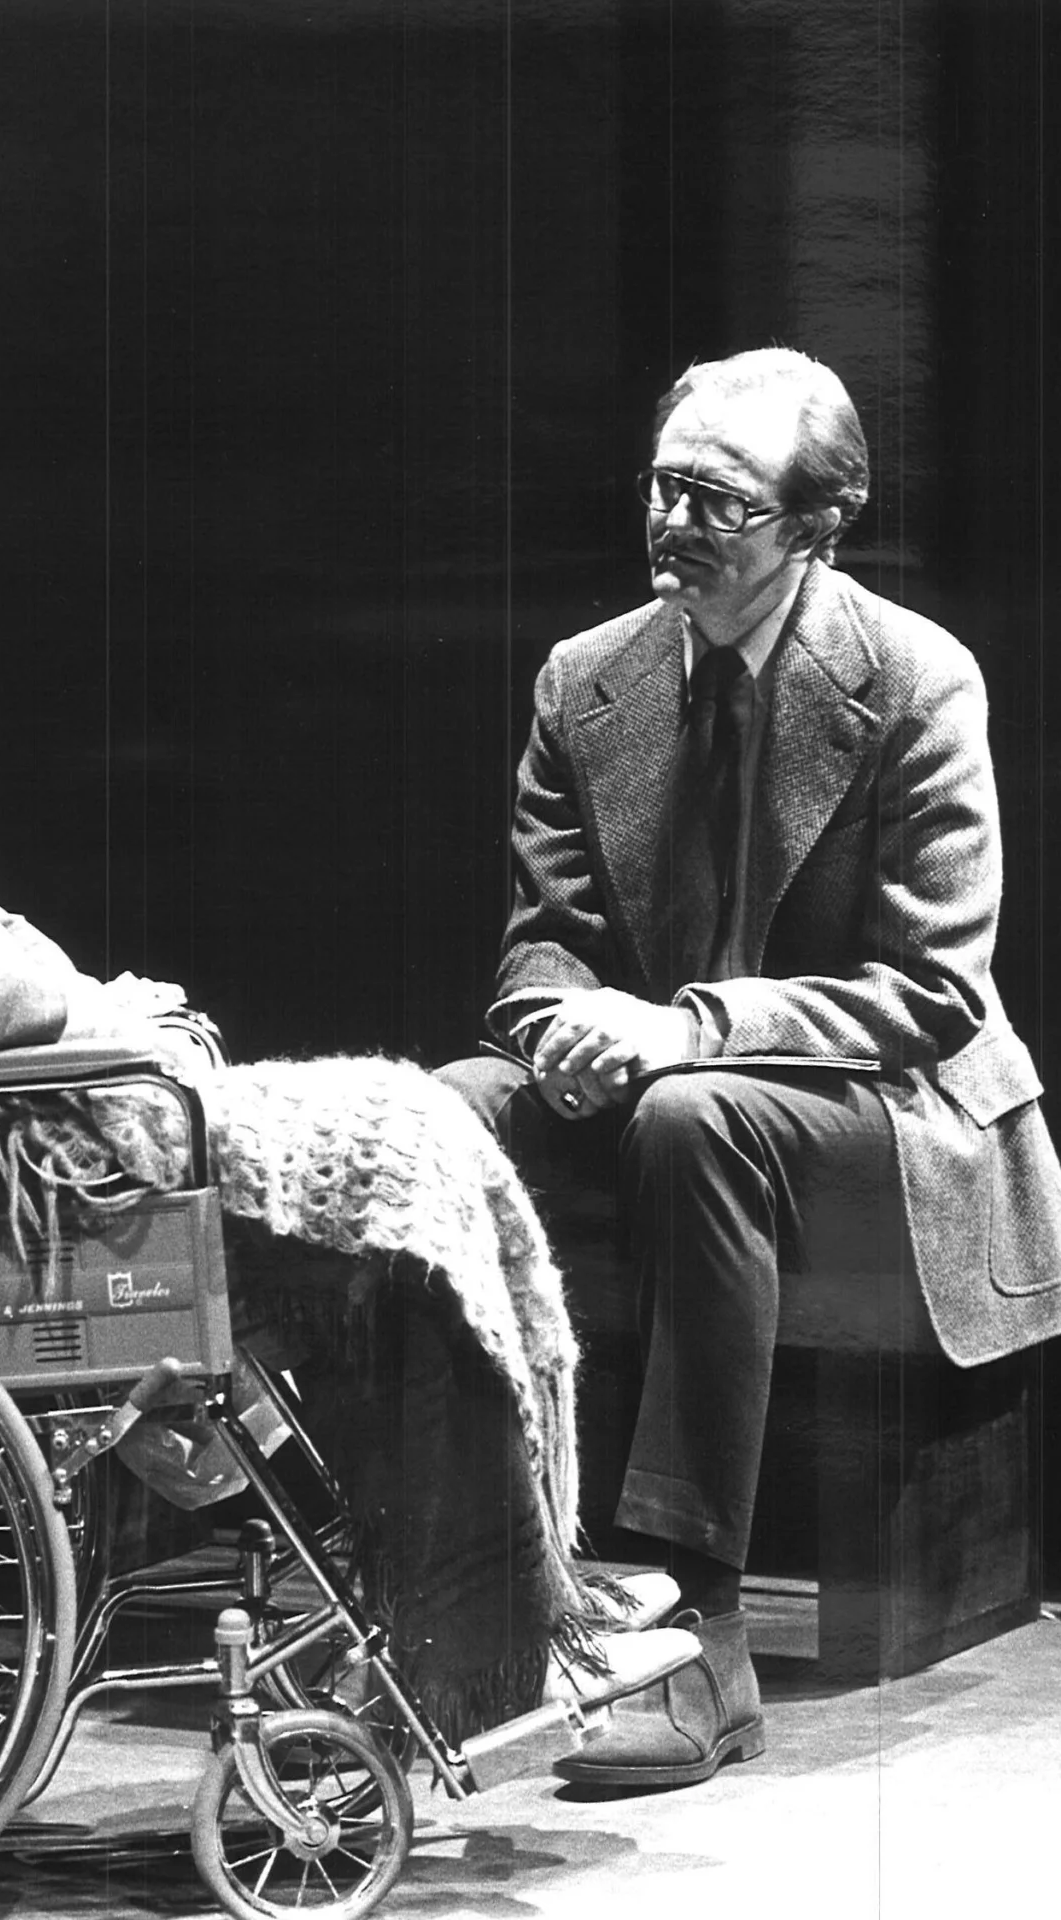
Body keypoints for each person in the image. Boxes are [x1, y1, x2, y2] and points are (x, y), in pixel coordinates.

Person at [0, 378, 702, 1755]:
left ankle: (502, 1604)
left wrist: (86, 1010)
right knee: (391, 1209)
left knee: (419, 1134)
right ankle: (476, 1642)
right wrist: (85, 1014)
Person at [436, 347, 1061, 1790]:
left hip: (894, 1124)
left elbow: (933, 994)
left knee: (697, 1119)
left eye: (715, 501)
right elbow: (541, 952)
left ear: (814, 524)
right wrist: (563, 1036)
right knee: (456, 1112)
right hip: (667, 1092)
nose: (672, 525)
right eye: (662, 488)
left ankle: (697, 1640)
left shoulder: (913, 679)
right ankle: (456, 1592)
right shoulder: (589, 679)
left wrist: (681, 1030)